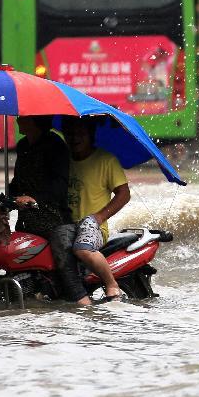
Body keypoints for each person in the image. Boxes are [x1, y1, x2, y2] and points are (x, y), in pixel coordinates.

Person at [7, 115, 88, 305]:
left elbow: (59, 187)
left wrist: (34, 198)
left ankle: (84, 305)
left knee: (66, 269)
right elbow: (18, 182)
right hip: (27, 221)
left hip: (55, 222)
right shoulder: (23, 146)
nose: (18, 120)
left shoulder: (56, 146)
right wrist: (4, 202)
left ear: (35, 121)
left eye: (23, 117)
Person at [62, 116, 131, 301]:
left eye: (80, 133)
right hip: (66, 224)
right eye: (70, 133)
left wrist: (99, 217)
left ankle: (112, 284)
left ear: (90, 134)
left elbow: (124, 194)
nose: (74, 138)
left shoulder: (106, 160)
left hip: (94, 227)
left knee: (82, 249)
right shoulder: (62, 160)